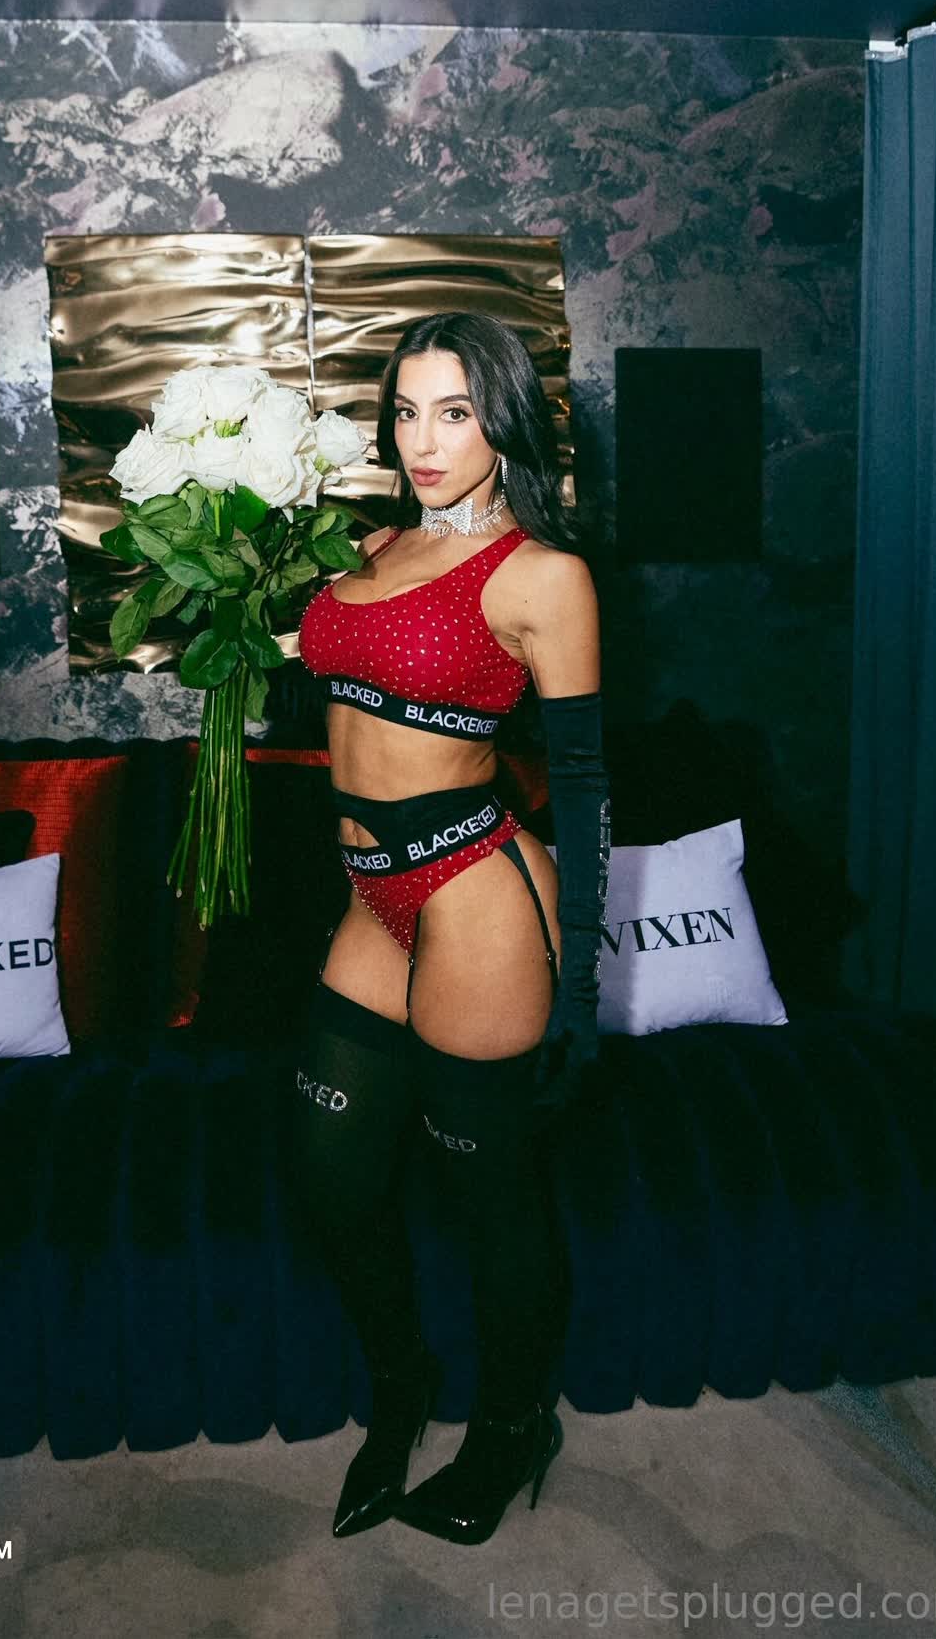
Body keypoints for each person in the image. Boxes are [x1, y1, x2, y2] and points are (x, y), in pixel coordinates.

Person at [287, 310, 611, 1546]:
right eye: (407, 411)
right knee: (330, 1170)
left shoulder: (543, 576)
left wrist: (583, 989)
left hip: (474, 890)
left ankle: (515, 1424)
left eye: (457, 412)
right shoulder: (372, 544)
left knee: (493, 1201)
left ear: (505, 421)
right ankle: (403, 1379)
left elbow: (583, 785)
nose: (423, 441)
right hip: (371, 892)